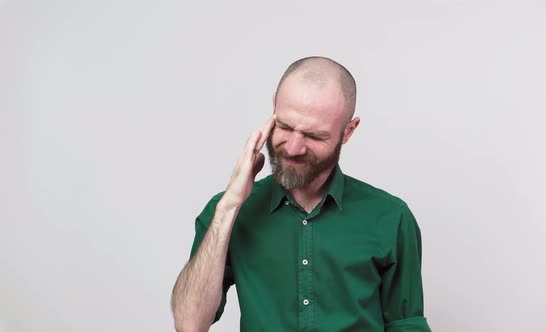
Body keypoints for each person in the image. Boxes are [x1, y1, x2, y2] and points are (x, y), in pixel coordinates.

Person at [171, 56, 432, 332]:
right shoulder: (228, 211)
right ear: (274, 106)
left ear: (348, 131)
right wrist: (229, 206)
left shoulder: (391, 218)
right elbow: (189, 324)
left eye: (315, 136)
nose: (294, 148)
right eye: (284, 126)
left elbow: (406, 325)